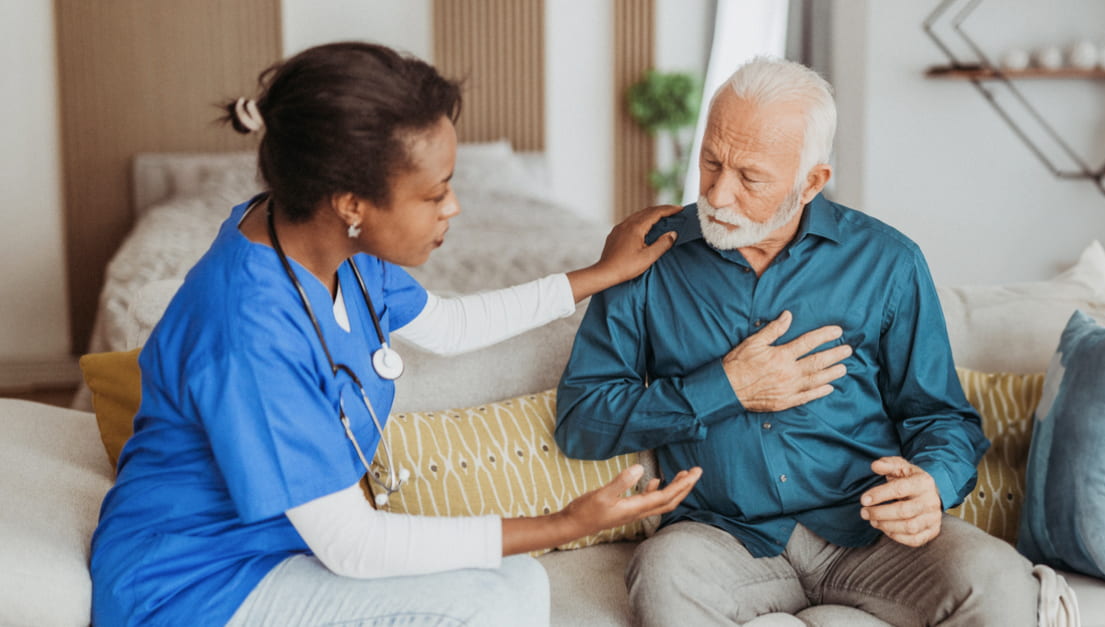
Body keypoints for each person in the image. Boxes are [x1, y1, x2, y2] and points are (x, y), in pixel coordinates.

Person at [88, 42, 701, 627]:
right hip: (191, 588)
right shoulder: (249, 331)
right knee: (489, 599)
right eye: (434, 193)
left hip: (271, 548)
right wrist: (563, 523)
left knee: (518, 583)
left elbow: (452, 326)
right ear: (351, 203)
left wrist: (601, 274)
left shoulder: (326, 243)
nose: (453, 207)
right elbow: (353, 545)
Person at [554, 57, 1039, 626]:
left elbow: (940, 415)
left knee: (1000, 580)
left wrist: (934, 483)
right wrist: (726, 388)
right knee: (663, 577)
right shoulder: (650, 258)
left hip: (869, 533)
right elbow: (581, 420)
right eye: (711, 161)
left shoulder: (888, 263)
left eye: (750, 177)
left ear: (811, 182)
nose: (717, 193)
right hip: (721, 539)